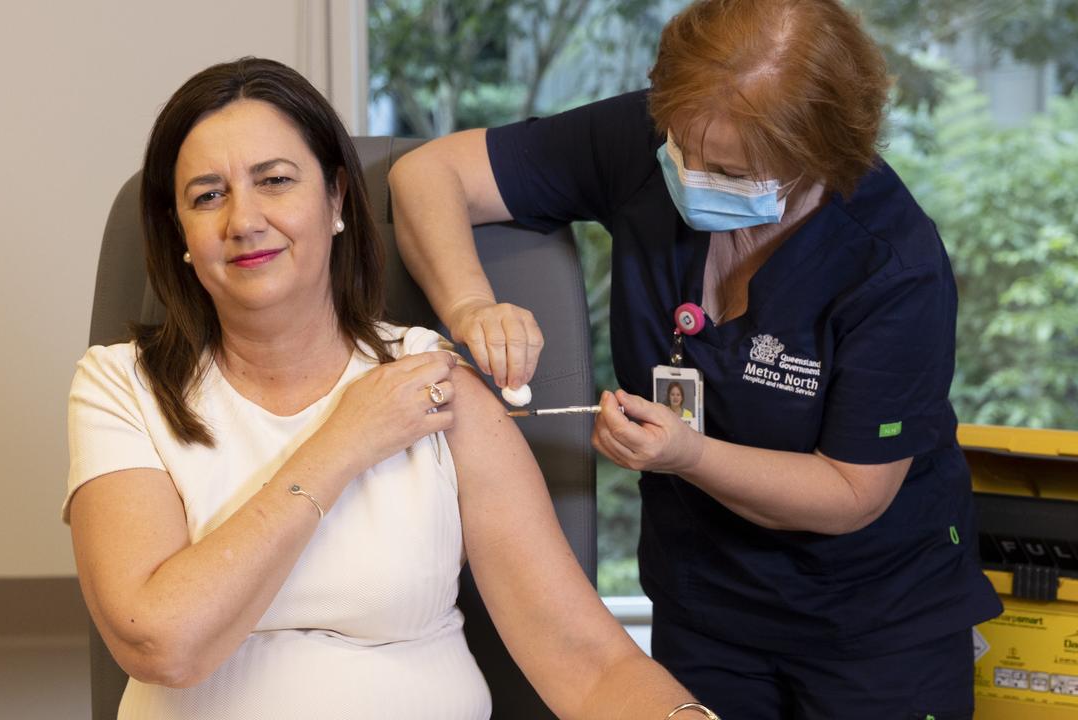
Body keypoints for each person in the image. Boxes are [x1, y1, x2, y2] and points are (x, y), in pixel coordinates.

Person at [388, 1, 1002, 717]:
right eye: (685, 149)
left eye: (732, 170)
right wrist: (471, 307)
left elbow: (850, 494)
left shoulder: (892, 267)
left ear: (822, 158)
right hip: (703, 607)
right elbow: (427, 175)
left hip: (874, 624)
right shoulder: (651, 141)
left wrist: (688, 456)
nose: (695, 178)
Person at [63, 58, 708, 720]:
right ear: (180, 235)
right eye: (207, 196)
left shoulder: (434, 385)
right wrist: (345, 439)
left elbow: (586, 661)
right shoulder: (121, 387)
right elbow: (163, 644)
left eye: (275, 181)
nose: (244, 220)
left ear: (337, 199)